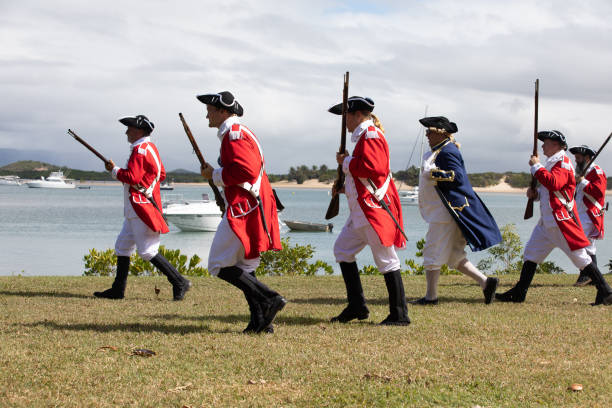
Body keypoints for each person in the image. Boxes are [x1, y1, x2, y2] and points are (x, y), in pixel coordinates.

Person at [197, 91, 286, 333]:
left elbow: (245, 171)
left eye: (211, 109)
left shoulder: (233, 134)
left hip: (245, 207)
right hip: (250, 205)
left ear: (224, 111)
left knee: (218, 263)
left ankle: (269, 298)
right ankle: (260, 322)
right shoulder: (236, 133)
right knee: (245, 266)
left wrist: (214, 175)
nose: (207, 113)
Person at [496, 131, 612, 305]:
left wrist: (536, 166)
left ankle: (606, 291)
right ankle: (519, 292)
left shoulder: (563, 163)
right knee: (531, 253)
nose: (542, 146)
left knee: (580, 257)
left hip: (559, 220)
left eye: (546, 142)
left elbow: (554, 183)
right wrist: (534, 195)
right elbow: (548, 191)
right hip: (548, 220)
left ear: (557, 145)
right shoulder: (552, 163)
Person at [328, 96, 410, 326]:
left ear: (356, 114)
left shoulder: (371, 135)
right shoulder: (364, 136)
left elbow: (373, 169)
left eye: (345, 115)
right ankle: (357, 306)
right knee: (343, 250)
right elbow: (363, 179)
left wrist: (346, 162)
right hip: (361, 211)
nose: (344, 120)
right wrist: (344, 188)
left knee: (387, 259)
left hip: (372, 210)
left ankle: (400, 314)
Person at [94, 115, 191, 300]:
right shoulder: (149, 148)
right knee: (122, 246)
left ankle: (179, 282)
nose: (126, 131)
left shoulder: (140, 150)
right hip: (135, 206)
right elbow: (160, 174)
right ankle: (117, 290)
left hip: (141, 206)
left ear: (139, 131)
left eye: (129, 128)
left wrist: (114, 171)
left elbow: (132, 177)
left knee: (148, 251)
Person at [413, 116, 501, 305]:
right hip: (444, 210)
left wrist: (432, 174)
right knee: (454, 256)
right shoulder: (438, 151)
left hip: (446, 211)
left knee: (432, 252)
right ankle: (486, 282)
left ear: (441, 133)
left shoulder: (447, 151)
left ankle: (430, 297)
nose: (427, 135)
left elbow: (457, 176)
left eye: (430, 132)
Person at [569, 144, 606, 286]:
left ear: (587, 158)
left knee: (580, 244)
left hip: (590, 215)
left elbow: (598, 193)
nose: (576, 161)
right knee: (588, 246)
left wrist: (583, 181)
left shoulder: (597, 172)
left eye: (578, 158)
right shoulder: (581, 172)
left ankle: (585, 274)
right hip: (581, 214)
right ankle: (592, 276)